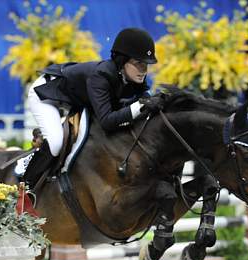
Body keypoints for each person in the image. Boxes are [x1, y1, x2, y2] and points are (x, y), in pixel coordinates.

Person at [18, 27, 163, 188]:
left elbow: (145, 98)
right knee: (56, 142)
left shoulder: (133, 77)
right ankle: (26, 185)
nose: (144, 70)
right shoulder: (100, 76)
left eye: (146, 64)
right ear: (122, 60)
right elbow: (107, 121)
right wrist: (140, 106)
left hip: (75, 98)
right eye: (138, 63)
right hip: (46, 94)